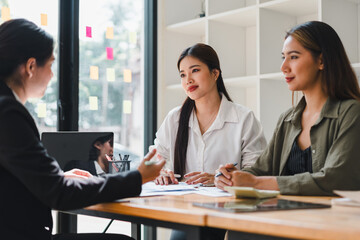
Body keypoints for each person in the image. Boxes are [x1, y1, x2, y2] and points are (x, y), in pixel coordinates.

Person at [0, 18, 165, 240]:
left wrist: (53, 177)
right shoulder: (8, 113)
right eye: (50, 65)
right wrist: (137, 177)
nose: (51, 75)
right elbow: (60, 194)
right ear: (30, 67)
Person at [215, 21, 360, 196]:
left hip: (330, 221)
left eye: (293, 57)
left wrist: (255, 182)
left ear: (321, 61)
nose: (283, 67)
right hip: (284, 217)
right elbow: (261, 171)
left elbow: (336, 179)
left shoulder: (351, 112)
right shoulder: (287, 119)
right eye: (283, 57)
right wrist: (230, 177)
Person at [151, 43, 266, 240]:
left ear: (215, 74)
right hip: (187, 211)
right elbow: (156, 156)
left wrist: (219, 179)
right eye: (182, 75)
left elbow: (257, 172)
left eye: (195, 70)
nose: (188, 80)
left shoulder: (244, 118)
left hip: (233, 211)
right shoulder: (175, 118)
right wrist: (161, 171)